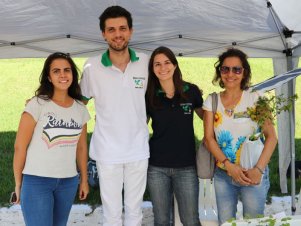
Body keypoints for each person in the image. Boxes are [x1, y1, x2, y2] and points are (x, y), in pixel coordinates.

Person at [79, 6, 149, 226]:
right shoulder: (92, 66)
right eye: (111, 30)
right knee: (111, 213)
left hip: (138, 149)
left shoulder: (146, 62)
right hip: (107, 151)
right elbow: (78, 103)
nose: (117, 34)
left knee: (135, 211)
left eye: (122, 28)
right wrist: (42, 101)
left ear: (131, 31)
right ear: (103, 34)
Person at [13, 52, 90, 226]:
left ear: (73, 74)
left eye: (67, 70)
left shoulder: (80, 108)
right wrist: (19, 183)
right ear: (49, 77)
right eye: (56, 71)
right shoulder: (37, 104)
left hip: (68, 182)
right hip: (36, 181)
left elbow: (81, 148)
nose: (63, 75)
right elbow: (20, 147)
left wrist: (83, 180)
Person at [203, 48, 277, 225]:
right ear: (219, 72)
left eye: (237, 69)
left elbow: (271, 137)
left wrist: (258, 170)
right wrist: (229, 167)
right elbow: (208, 139)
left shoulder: (256, 98)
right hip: (224, 175)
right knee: (226, 222)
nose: (230, 74)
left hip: (252, 174)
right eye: (225, 69)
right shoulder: (211, 101)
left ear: (244, 72)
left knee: (253, 222)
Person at [145, 46, 203, 226]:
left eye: (167, 63)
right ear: (152, 69)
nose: (163, 68)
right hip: (157, 167)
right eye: (157, 64)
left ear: (175, 65)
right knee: (161, 220)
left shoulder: (191, 91)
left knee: (190, 220)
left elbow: (210, 120)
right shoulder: (149, 95)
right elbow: (137, 126)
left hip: (186, 167)